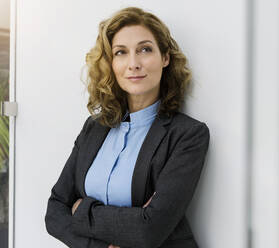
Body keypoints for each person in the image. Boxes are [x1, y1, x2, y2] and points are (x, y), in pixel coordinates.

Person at [44, 6, 210, 248]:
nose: (133, 63)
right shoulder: (94, 128)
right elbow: (55, 210)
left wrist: (81, 208)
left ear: (165, 58)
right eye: (121, 52)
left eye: (145, 49)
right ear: (111, 63)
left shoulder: (188, 135)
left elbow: (148, 230)